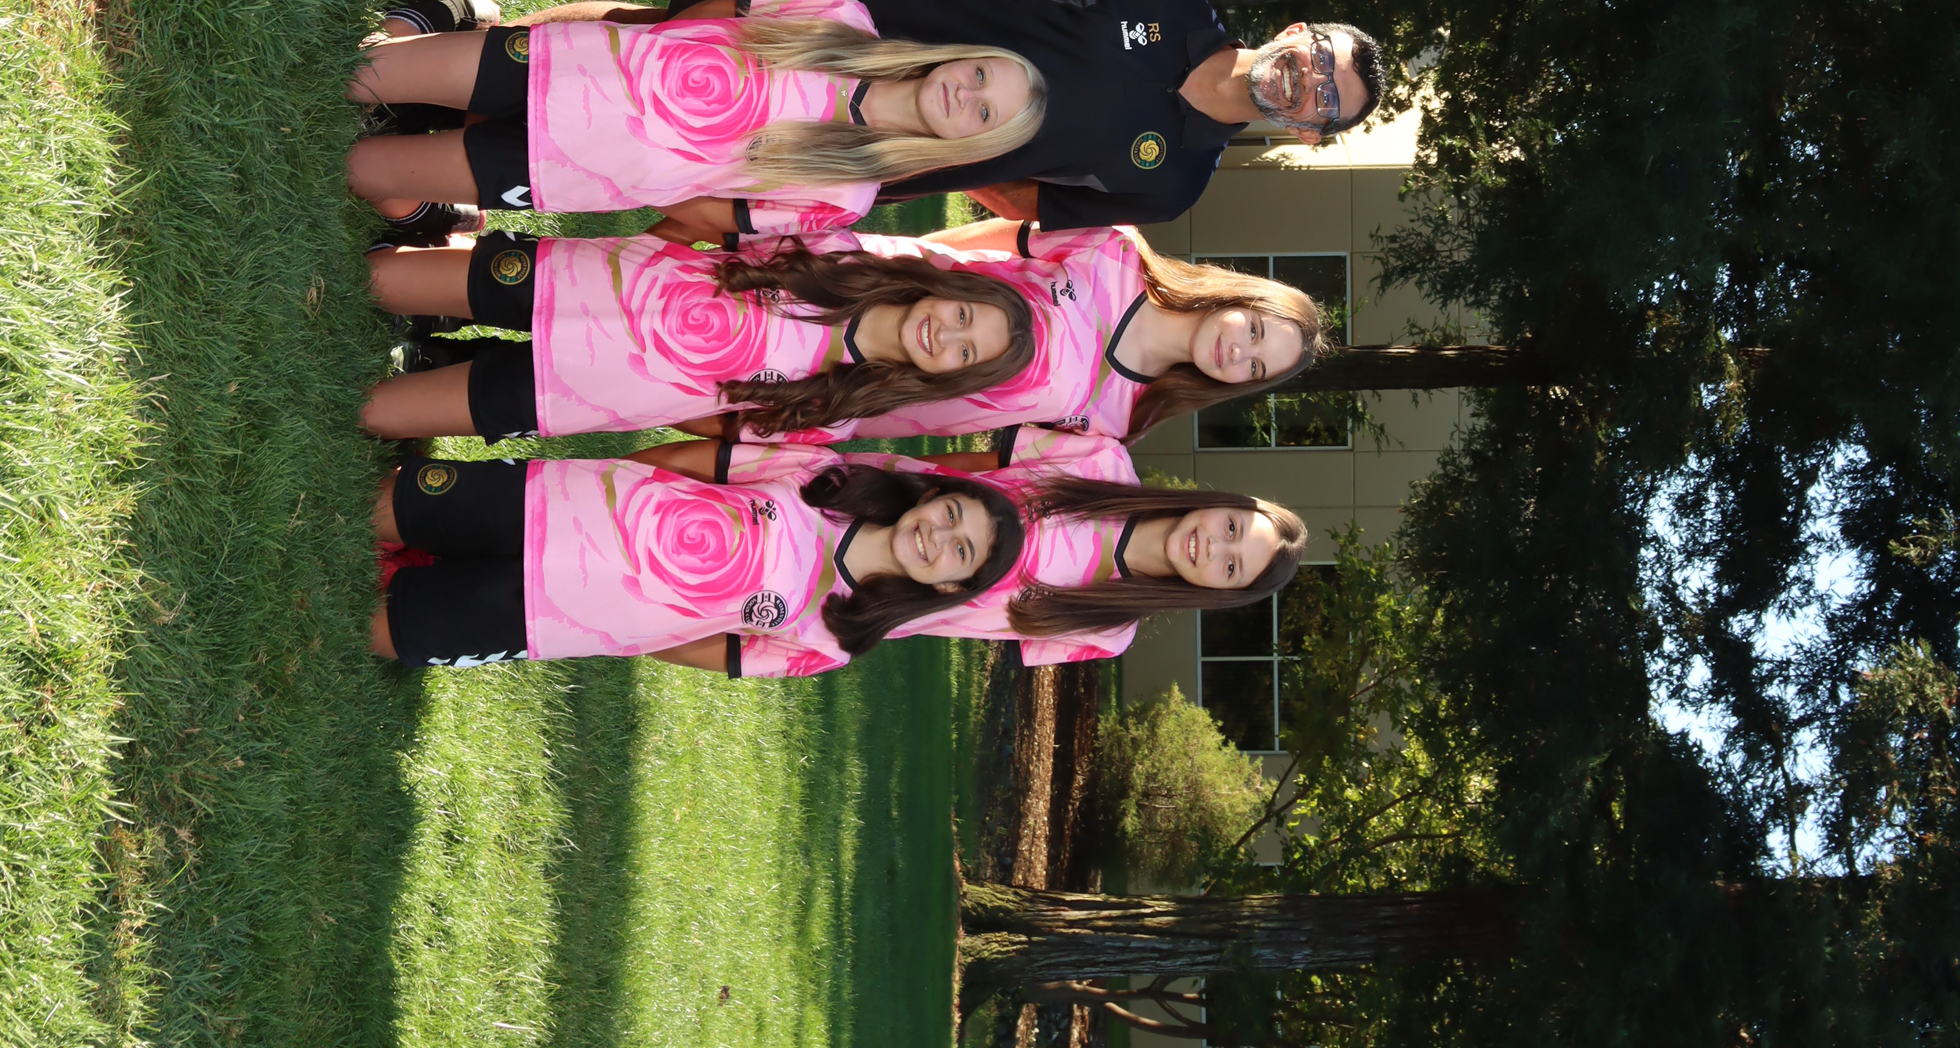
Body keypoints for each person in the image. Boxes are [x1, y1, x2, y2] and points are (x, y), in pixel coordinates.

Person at [344, 0, 1383, 237]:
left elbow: (1031, 203)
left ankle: (462, 155)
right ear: (1297, 32)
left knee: (671, 153)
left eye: (1321, 101)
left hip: (882, 150)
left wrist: (953, 154)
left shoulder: (1175, 183)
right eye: (1317, 59)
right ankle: (480, 45)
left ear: (1304, 128)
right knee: (664, 36)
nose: (1304, 81)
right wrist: (954, 45)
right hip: (899, 40)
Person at [370, 427, 1303, 673]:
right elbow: (959, 470)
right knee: (621, 526)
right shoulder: (1100, 462)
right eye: (1232, 528)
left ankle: (447, 590)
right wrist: (865, 486)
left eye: (1231, 567)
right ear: (1218, 504)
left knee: (631, 596)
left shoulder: (1104, 634)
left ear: (1214, 592)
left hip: (847, 604)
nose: (1213, 548)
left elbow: (965, 628)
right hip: (856, 509)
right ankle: (444, 532)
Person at [357, 218, 1321, 444]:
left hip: (856, 390)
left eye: (1255, 366)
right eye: (1254, 329)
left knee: (637, 376)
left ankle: (455, 365)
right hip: (869, 294)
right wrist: (886, 264)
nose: (1238, 350)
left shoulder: (1114, 421)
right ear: (1236, 298)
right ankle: (457, 285)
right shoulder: (1116, 252)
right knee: (640, 297)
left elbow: (970, 444)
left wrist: (843, 422)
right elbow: (975, 248)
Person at [345, 0, 1050, 236]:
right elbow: (718, 11)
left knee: (362, 168)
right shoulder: (844, 21)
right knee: (362, 73)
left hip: (571, 168)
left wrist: (653, 169)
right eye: (980, 74)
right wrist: (643, 63)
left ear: (972, 146)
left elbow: (720, 215)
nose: (967, 94)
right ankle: (445, 30)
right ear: (965, 54)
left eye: (984, 114)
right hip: (573, 69)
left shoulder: (846, 193)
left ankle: (422, 202)